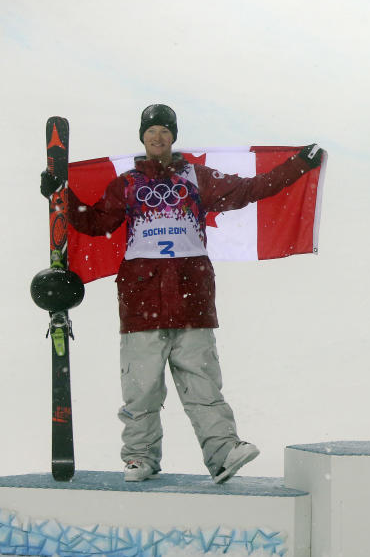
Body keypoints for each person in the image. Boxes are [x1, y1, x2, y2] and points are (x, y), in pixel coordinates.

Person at [39, 104, 325, 483]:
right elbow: (95, 222)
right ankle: (140, 457)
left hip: (192, 298)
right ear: (142, 137)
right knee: (141, 389)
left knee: (203, 385)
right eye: (151, 131)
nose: (158, 138)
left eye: (165, 131)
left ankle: (223, 453)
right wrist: (60, 196)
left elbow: (249, 189)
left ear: (174, 137)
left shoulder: (197, 176)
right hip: (141, 300)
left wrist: (299, 166)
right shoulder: (125, 183)